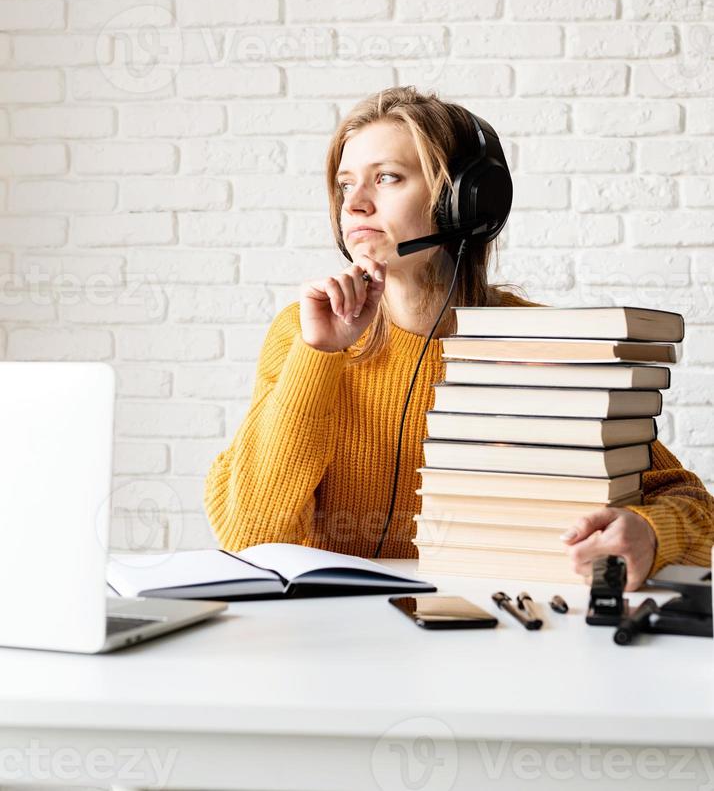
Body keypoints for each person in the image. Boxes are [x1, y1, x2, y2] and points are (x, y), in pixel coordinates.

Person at [204, 86, 714, 590]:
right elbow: (250, 536)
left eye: (386, 178)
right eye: (344, 185)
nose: (354, 205)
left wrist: (650, 534)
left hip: (492, 634)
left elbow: (690, 502)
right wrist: (320, 355)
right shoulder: (304, 332)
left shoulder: (540, 344)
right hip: (329, 637)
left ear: (461, 202)